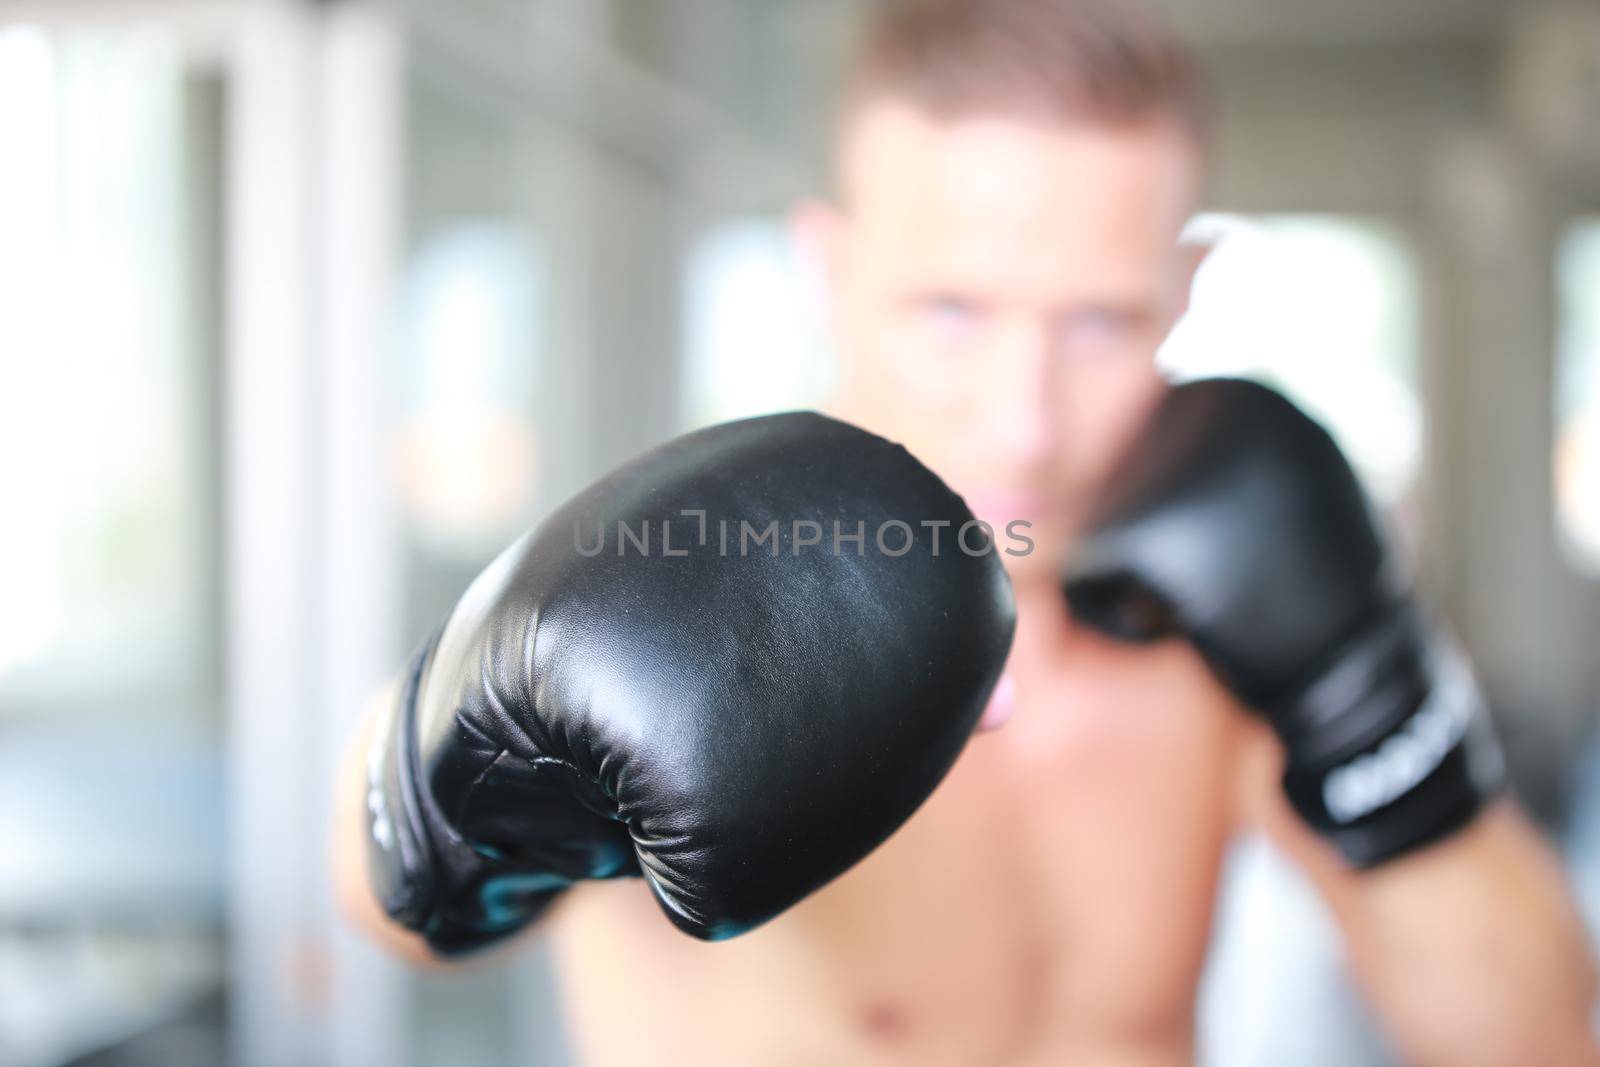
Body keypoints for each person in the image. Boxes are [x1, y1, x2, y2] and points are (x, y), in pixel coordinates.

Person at [335, 1, 1600, 1063]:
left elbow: (1535, 1036)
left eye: (1098, 321)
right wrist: (468, 764)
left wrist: (1368, 689)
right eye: (951, 310)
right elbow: (377, 902)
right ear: (827, 269)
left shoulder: (1206, 637)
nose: (1024, 417)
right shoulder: (674, 578)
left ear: (1187, 290)